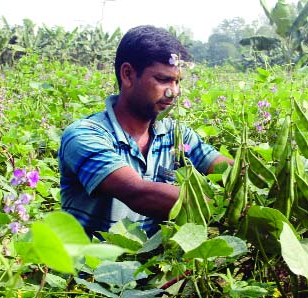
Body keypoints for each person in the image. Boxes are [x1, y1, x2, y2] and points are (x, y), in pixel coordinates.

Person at [58, 25, 233, 238]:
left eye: (178, 82)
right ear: (128, 74)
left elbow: (226, 170)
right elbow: (136, 192)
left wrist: (251, 178)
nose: (174, 92)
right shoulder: (84, 135)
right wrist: (223, 207)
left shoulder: (176, 135)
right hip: (91, 268)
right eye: (163, 80)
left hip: (154, 267)